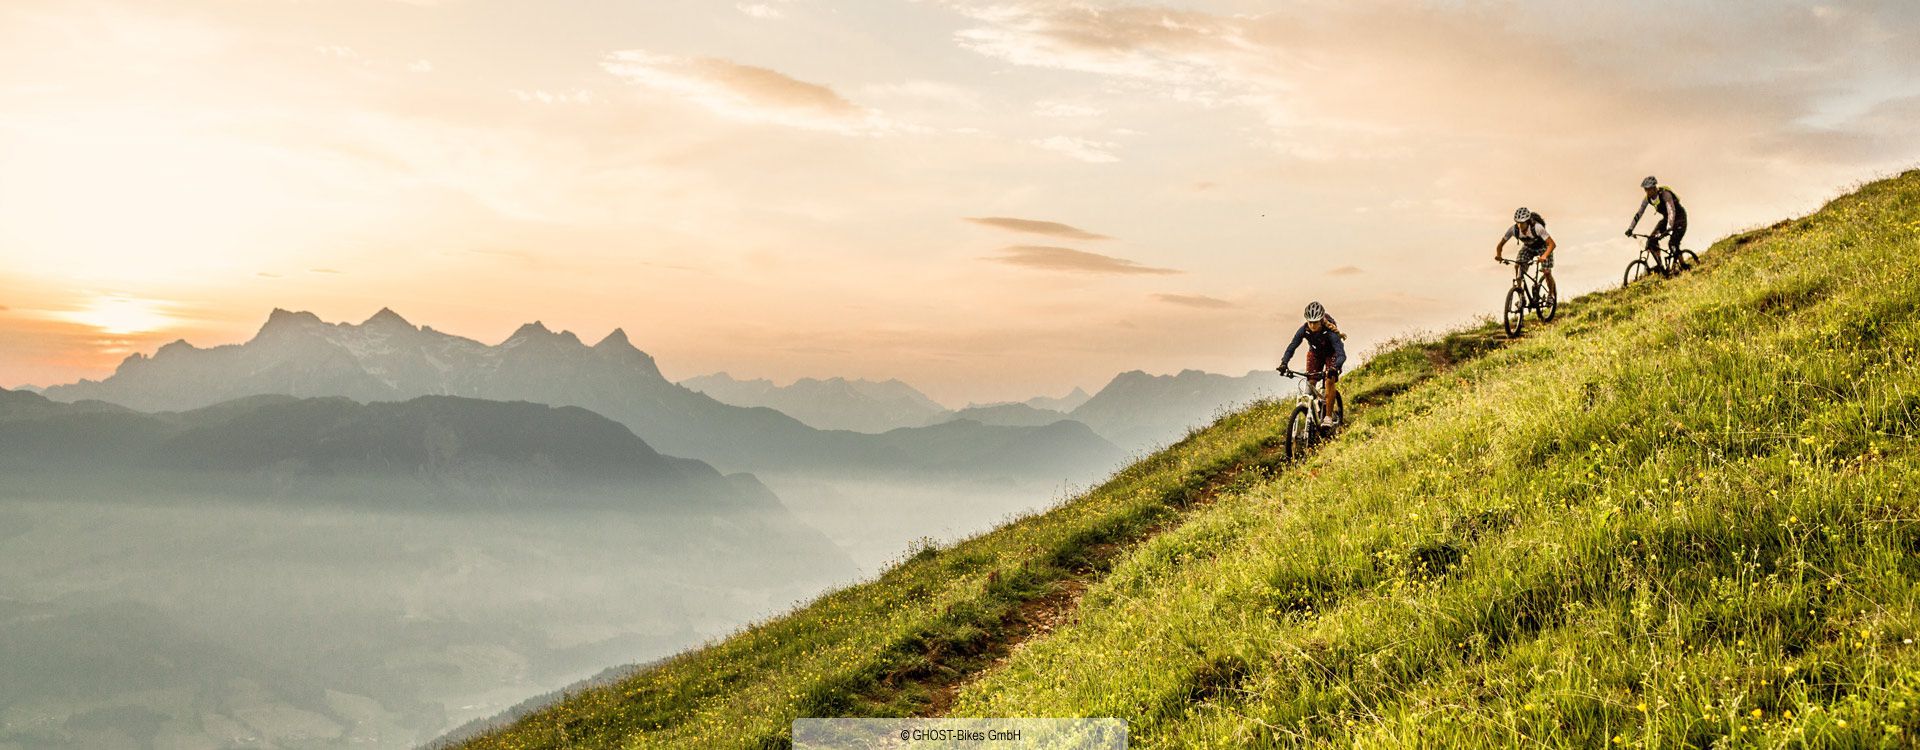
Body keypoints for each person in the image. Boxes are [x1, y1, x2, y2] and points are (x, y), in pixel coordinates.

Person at [1277, 301, 1346, 427]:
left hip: (1332, 355)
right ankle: (1312, 416)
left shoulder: (1330, 332)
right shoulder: (1304, 330)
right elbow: (1292, 346)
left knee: (1329, 381)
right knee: (1310, 385)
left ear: (1321, 321)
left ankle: (1328, 417)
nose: (1313, 325)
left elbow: (1341, 354)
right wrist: (1284, 363)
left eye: (1315, 322)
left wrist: (1335, 367)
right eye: (1310, 322)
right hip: (1315, 354)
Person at [1626, 176, 1688, 272]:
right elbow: (1639, 213)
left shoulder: (1665, 194)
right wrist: (1630, 228)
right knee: (1651, 241)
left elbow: (1671, 210)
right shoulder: (1647, 199)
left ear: (1655, 188)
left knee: (1673, 244)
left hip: (1680, 219)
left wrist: (1669, 228)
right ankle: (1661, 267)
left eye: (1649, 189)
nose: (1647, 192)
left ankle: (1684, 266)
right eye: (1645, 190)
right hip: (1667, 219)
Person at [1495, 207, 1557, 299]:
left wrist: (1544, 256)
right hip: (1528, 248)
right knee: (1518, 265)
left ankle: (1551, 295)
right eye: (1517, 222)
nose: (1519, 225)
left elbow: (1552, 244)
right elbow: (1500, 245)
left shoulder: (1537, 228)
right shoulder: (1513, 230)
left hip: (1543, 247)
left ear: (1527, 221)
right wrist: (1499, 255)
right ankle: (1521, 293)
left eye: (1522, 222)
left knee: (1546, 272)